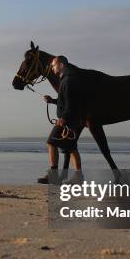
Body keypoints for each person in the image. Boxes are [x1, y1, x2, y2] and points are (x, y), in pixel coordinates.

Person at [38, 56, 83, 184]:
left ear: (61, 65)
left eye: (54, 65)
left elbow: (72, 103)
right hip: (73, 119)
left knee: (51, 142)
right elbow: (64, 101)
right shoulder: (67, 79)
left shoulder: (68, 80)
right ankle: (78, 177)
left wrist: (63, 118)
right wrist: (52, 100)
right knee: (71, 148)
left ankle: (53, 174)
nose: (52, 68)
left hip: (67, 120)